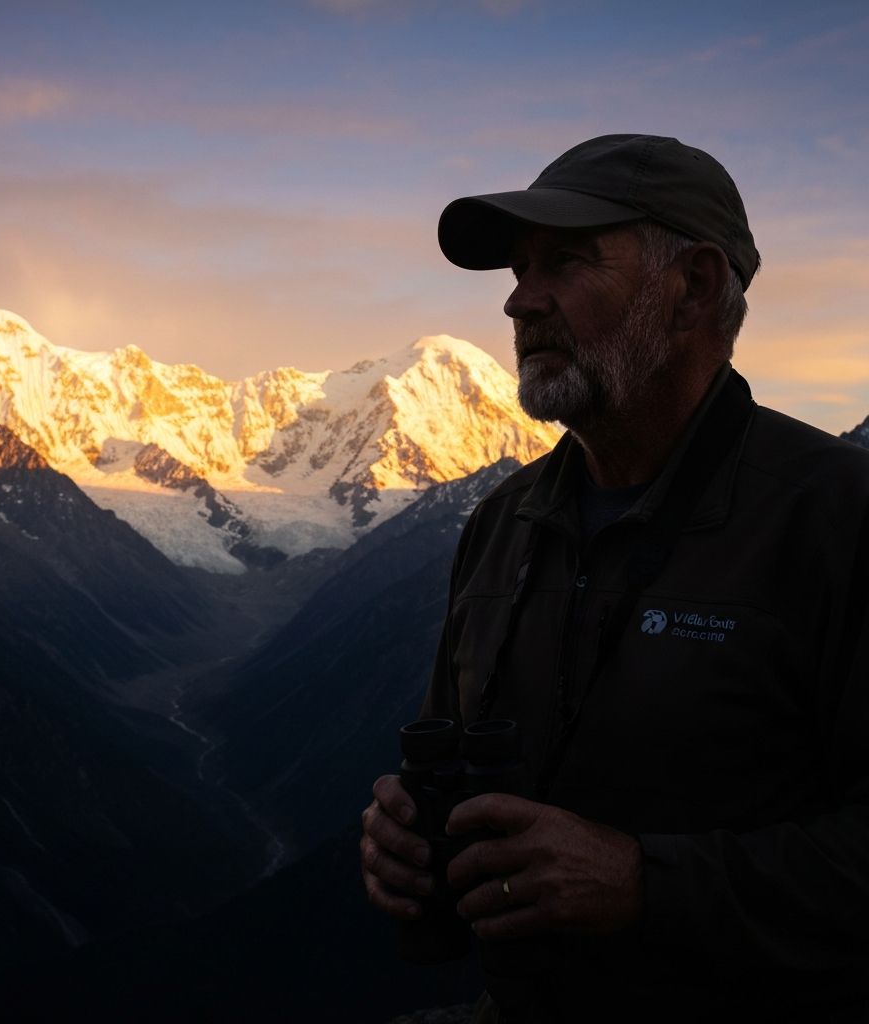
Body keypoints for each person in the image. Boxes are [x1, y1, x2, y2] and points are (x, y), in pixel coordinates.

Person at [359, 134, 869, 1022]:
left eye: (567, 262)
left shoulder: (837, 517)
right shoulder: (500, 524)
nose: (520, 303)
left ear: (695, 286)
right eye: (517, 271)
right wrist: (406, 830)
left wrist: (645, 882)